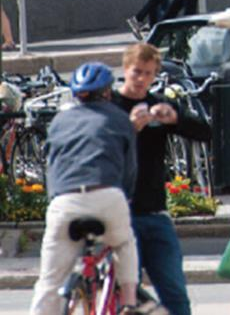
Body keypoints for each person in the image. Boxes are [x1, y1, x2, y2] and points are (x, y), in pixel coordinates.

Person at [30, 62, 139, 315]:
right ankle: (131, 303)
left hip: (64, 201)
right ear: (108, 92)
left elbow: (51, 165)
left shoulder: (59, 121)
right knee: (124, 243)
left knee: (50, 281)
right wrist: (128, 197)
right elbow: (130, 168)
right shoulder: (120, 119)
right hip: (107, 195)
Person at [114, 43, 211, 315]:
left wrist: (175, 119)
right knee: (124, 294)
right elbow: (101, 148)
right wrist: (129, 128)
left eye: (149, 73)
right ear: (125, 70)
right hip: (120, 214)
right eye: (137, 72)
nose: (142, 79)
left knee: (176, 293)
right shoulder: (111, 105)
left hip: (155, 212)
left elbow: (206, 133)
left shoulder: (158, 104)